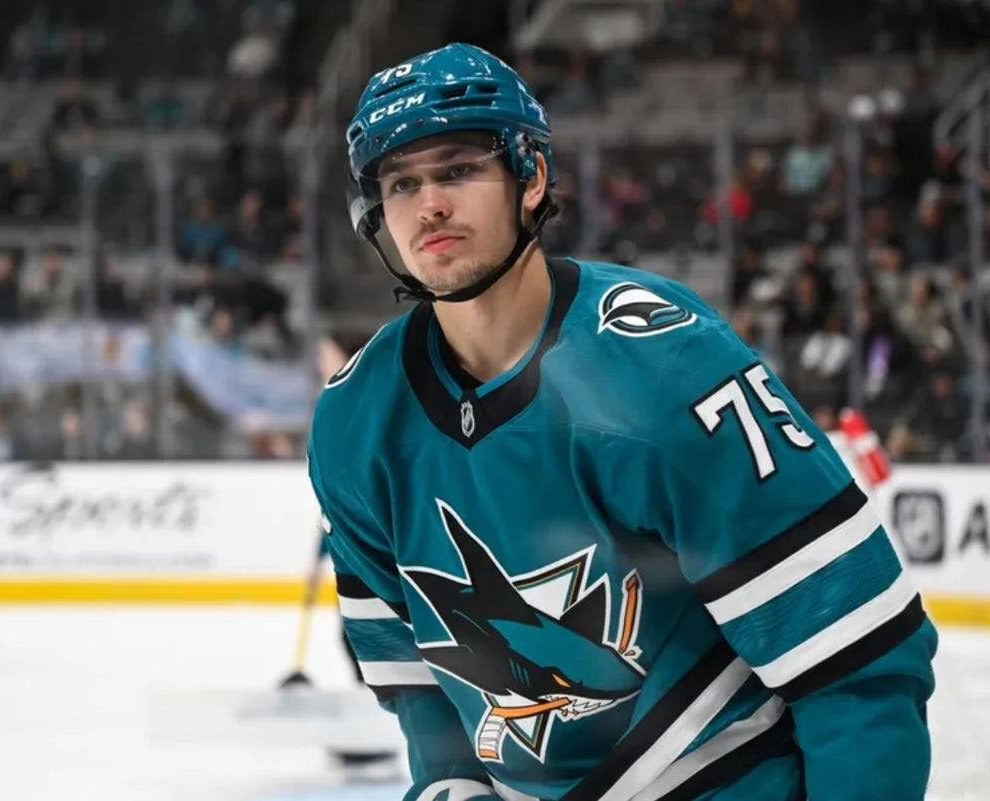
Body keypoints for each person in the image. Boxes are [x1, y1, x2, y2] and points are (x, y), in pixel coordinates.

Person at [307, 44, 936, 801]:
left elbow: (856, 666)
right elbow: (427, 700)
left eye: (459, 169)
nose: (429, 204)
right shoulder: (354, 424)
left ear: (531, 177)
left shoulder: (669, 367)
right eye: (402, 182)